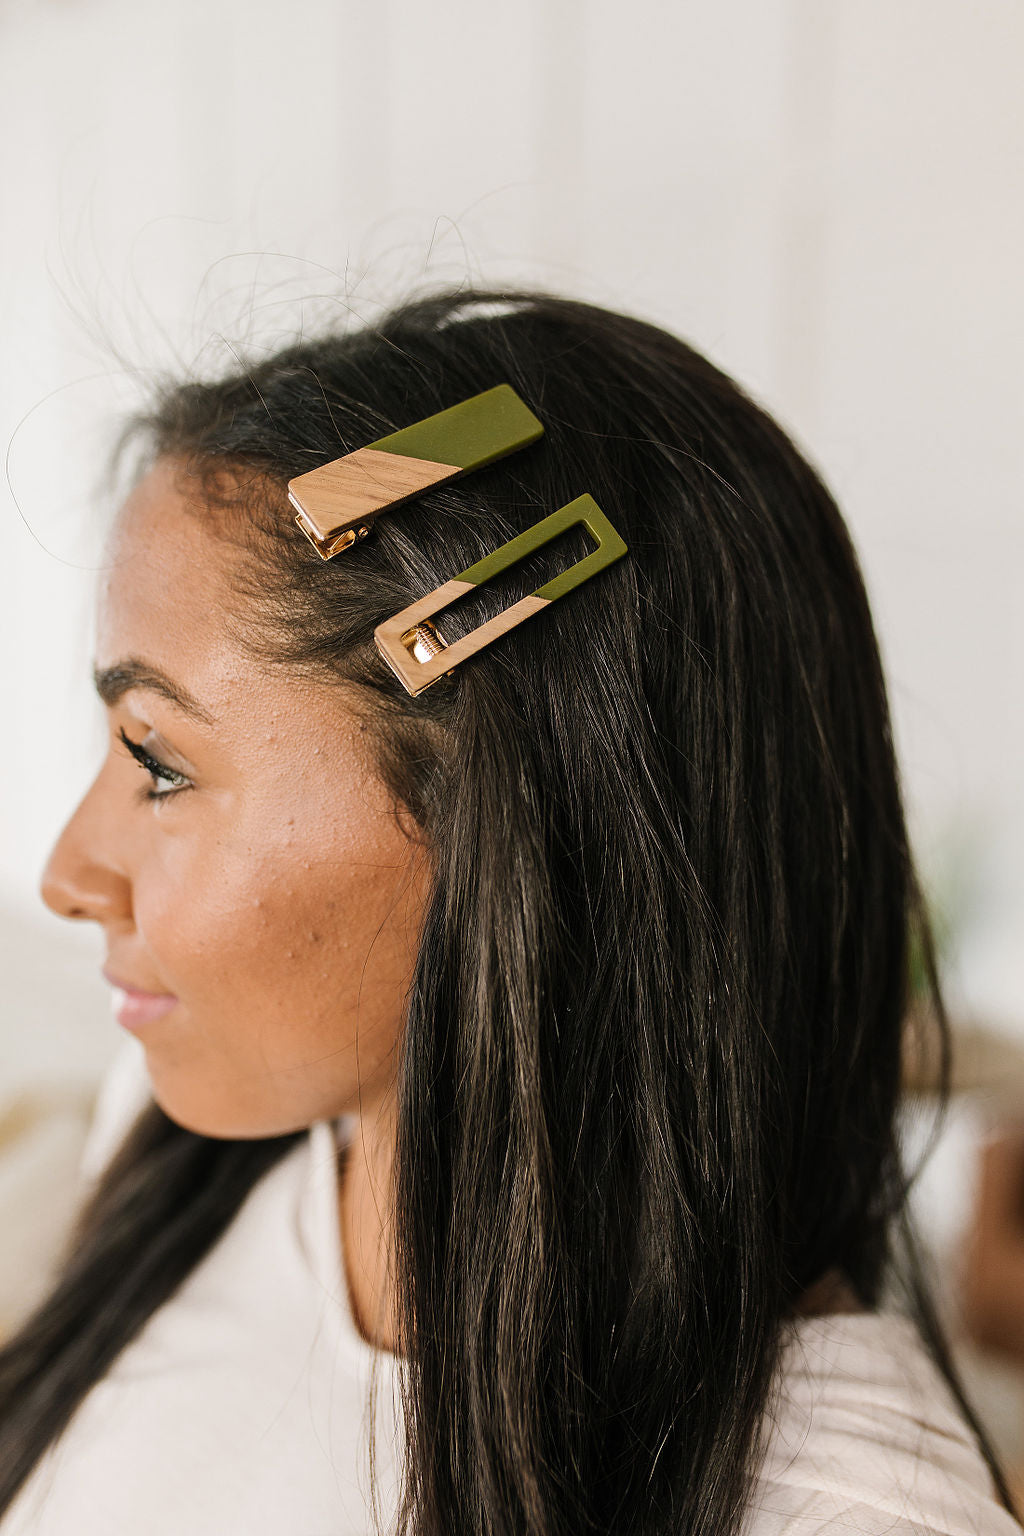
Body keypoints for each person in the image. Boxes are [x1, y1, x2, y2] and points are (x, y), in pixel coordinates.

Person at [0, 286, 1018, 1536]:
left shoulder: (844, 1510)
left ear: (507, 811)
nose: (67, 874)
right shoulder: (172, 1158)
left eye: (158, 762)